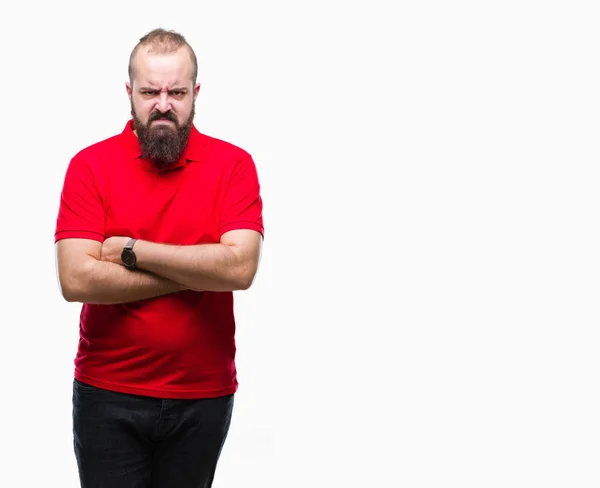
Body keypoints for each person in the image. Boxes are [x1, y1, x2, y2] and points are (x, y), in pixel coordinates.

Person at [54, 27, 264, 488]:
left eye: (177, 91)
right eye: (150, 91)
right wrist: (201, 270)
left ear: (196, 93)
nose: (163, 104)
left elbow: (241, 269)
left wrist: (132, 251)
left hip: (203, 395)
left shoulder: (234, 166)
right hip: (107, 393)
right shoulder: (90, 166)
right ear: (129, 93)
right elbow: (76, 279)